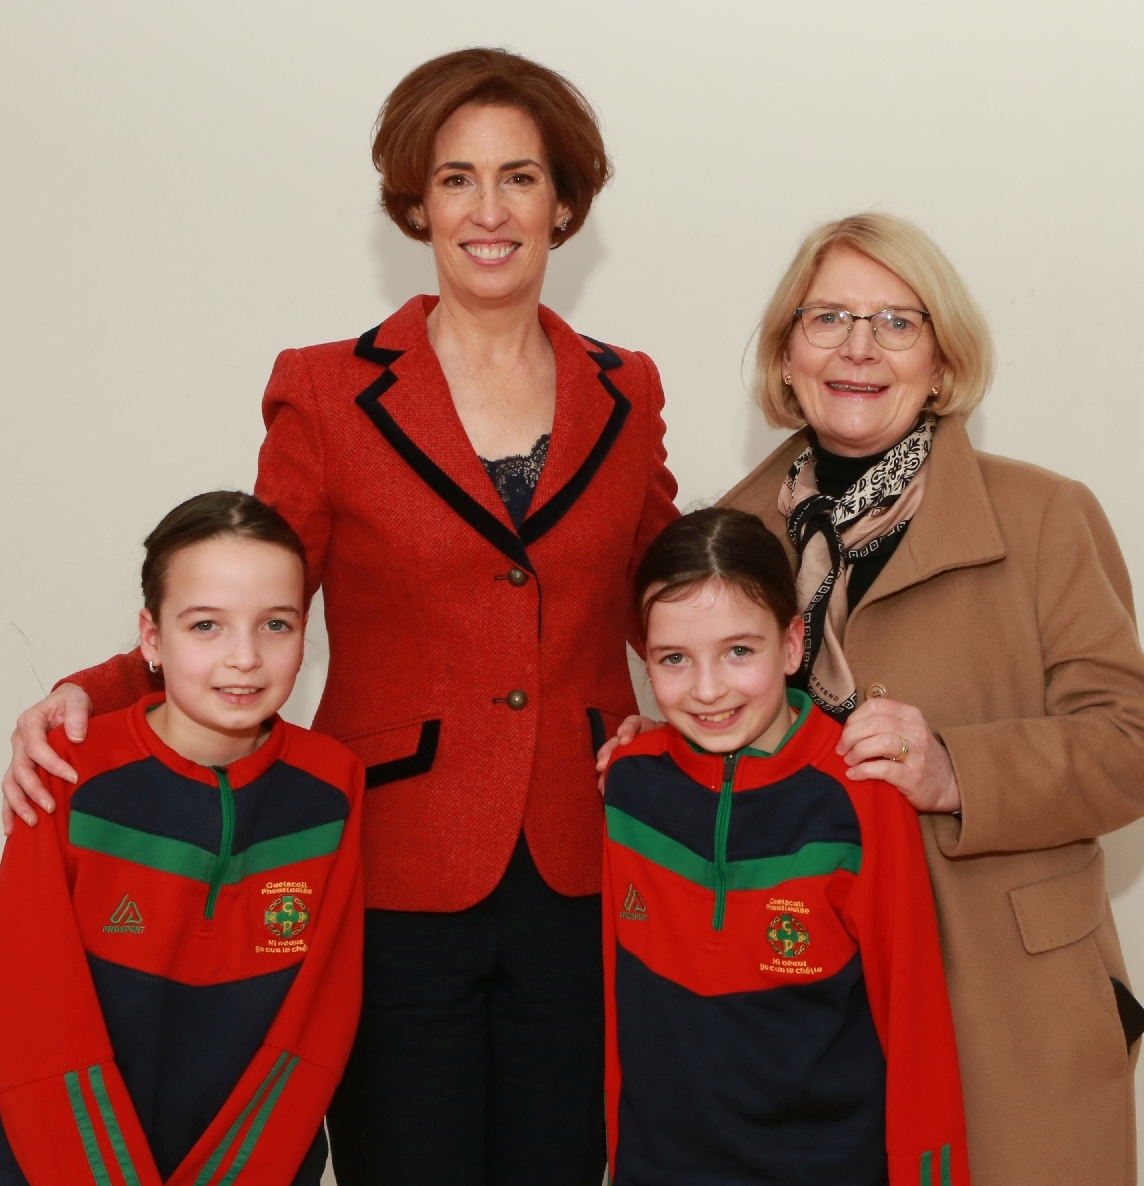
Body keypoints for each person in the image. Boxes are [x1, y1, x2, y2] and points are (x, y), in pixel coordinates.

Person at [2, 48, 677, 1186]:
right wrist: (94, 689)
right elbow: (249, 592)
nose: (488, 209)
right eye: (456, 179)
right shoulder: (327, 389)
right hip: (391, 861)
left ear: (565, 203)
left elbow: (670, 593)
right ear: (416, 204)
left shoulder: (629, 386)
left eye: (519, 177)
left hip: (586, 852)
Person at [601, 212, 1144, 1185]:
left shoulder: (1045, 515)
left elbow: (1129, 742)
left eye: (897, 321)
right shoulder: (730, 528)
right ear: (787, 353)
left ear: (942, 361)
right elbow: (729, 714)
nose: (859, 347)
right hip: (790, 1028)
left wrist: (957, 770)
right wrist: (667, 736)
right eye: (828, 318)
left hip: (1003, 1002)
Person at [0, 492, 363, 1186]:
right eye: (206, 625)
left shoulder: (334, 786)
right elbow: (33, 1014)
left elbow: (318, 1021)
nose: (244, 658)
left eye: (276, 624)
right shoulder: (66, 773)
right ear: (151, 638)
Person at [601, 507, 968, 1186]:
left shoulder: (862, 794)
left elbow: (914, 1020)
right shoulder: (627, 786)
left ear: (793, 644)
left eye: (739, 651)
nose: (707, 690)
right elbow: (619, 1008)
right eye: (674, 658)